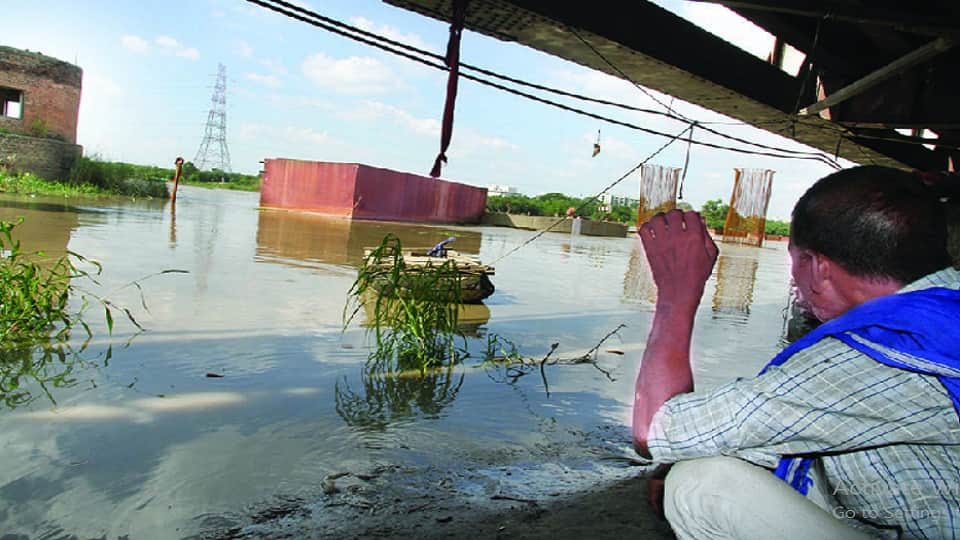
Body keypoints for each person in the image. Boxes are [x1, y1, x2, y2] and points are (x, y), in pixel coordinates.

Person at [633, 165, 960, 539]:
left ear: (818, 267)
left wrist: (676, 292)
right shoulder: (944, 320)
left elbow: (655, 427)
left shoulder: (882, 351)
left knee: (698, 484)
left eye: (794, 263)